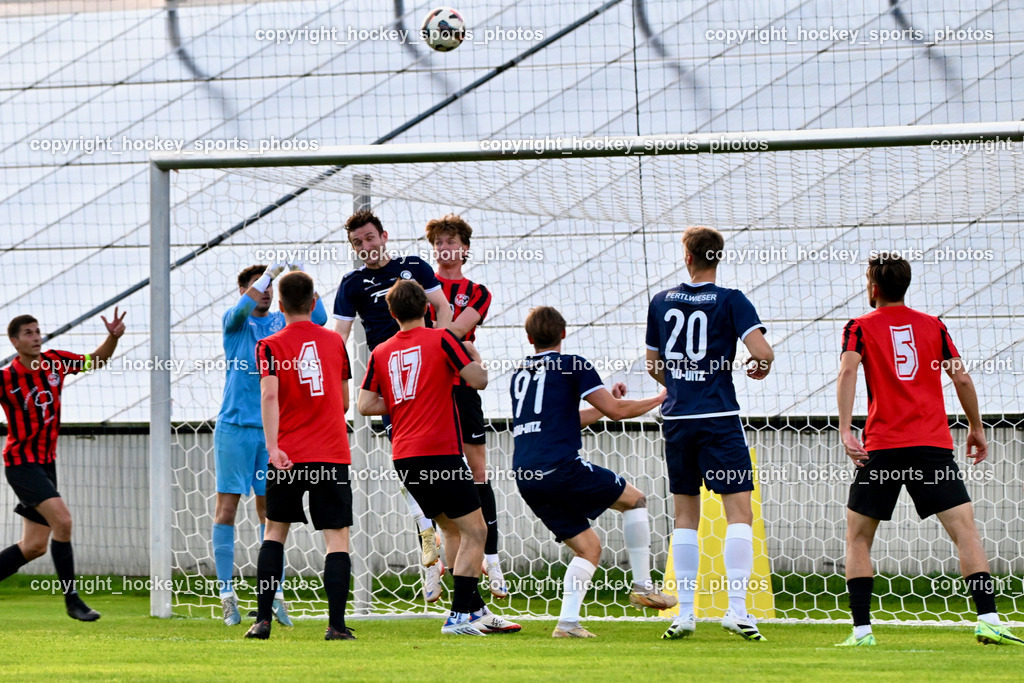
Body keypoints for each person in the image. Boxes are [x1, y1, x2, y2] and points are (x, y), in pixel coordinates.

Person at [835, 252, 1023, 647]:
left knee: (858, 538)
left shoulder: (858, 327)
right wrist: (976, 427)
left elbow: (848, 370)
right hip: (932, 447)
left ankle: (863, 632)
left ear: (873, 287)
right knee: (965, 531)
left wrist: (845, 428)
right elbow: (963, 380)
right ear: (905, 285)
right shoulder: (933, 326)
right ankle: (988, 618)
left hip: (882, 448)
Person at [357, 279, 519, 636]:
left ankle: (476, 609)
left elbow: (365, 404)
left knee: (452, 531)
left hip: (404, 456)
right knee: (477, 530)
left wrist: (403, 403)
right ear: (427, 308)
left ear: (392, 313)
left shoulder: (381, 352)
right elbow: (477, 381)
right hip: (439, 452)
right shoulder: (443, 339)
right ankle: (459, 615)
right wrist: (476, 359)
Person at [511, 306, 673, 638]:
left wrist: (602, 405)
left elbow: (563, 420)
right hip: (560, 467)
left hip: (526, 476)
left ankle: (567, 624)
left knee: (588, 548)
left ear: (529, 338)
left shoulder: (519, 374)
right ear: (564, 334)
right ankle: (643, 586)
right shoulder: (573, 364)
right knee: (636, 500)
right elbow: (617, 412)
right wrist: (660, 397)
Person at [645, 226, 774, 641]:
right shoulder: (731, 299)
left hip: (678, 418)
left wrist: (681, 383)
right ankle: (737, 609)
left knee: (685, 515)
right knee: (739, 511)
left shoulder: (661, 301)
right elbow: (762, 352)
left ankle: (684, 614)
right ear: (718, 257)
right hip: (719, 415)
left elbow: (653, 363)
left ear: (687, 257)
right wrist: (759, 365)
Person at [333, 210, 453, 600]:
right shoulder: (352, 284)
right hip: (393, 384)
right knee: (410, 466)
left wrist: (444, 349)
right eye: (358, 243)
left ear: (384, 235)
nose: (366, 247)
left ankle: (476, 553)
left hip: (431, 377)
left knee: (462, 466)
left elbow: (445, 309)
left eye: (370, 238)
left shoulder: (414, 267)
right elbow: (339, 337)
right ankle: (428, 536)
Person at [213, 261, 327, 626]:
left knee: (271, 513)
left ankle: (273, 594)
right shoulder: (236, 323)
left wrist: (302, 275)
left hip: (272, 433)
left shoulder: (281, 324)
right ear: (245, 291)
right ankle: (226, 593)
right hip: (234, 428)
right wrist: (264, 278)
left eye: (269, 287)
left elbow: (320, 317)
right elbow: (241, 308)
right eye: (257, 286)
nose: (264, 291)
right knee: (226, 509)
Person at [245, 271, 355, 641]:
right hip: (331, 453)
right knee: (336, 537)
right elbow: (344, 402)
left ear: (280, 305)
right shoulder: (335, 343)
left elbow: (269, 397)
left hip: (287, 455)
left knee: (275, 533)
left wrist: (274, 447)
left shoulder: (270, 346)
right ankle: (336, 626)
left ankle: (262, 621)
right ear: (313, 302)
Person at [0, 309, 126, 621]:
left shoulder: (55, 361)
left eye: (37, 331)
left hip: (46, 464)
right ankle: (73, 601)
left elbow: (95, 361)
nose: (36, 337)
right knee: (64, 522)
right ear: (14, 342)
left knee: (33, 547)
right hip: (21, 464)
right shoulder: (5, 379)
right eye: (28, 333)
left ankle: (72, 600)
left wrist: (113, 337)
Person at [424, 214, 506, 599]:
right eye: (439, 243)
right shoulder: (421, 285)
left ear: (464, 249)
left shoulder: (477, 291)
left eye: (451, 242)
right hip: (427, 388)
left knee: (477, 471)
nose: (445, 249)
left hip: (461, 385)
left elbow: (455, 329)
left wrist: (437, 338)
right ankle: (434, 558)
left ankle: (493, 558)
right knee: (430, 471)